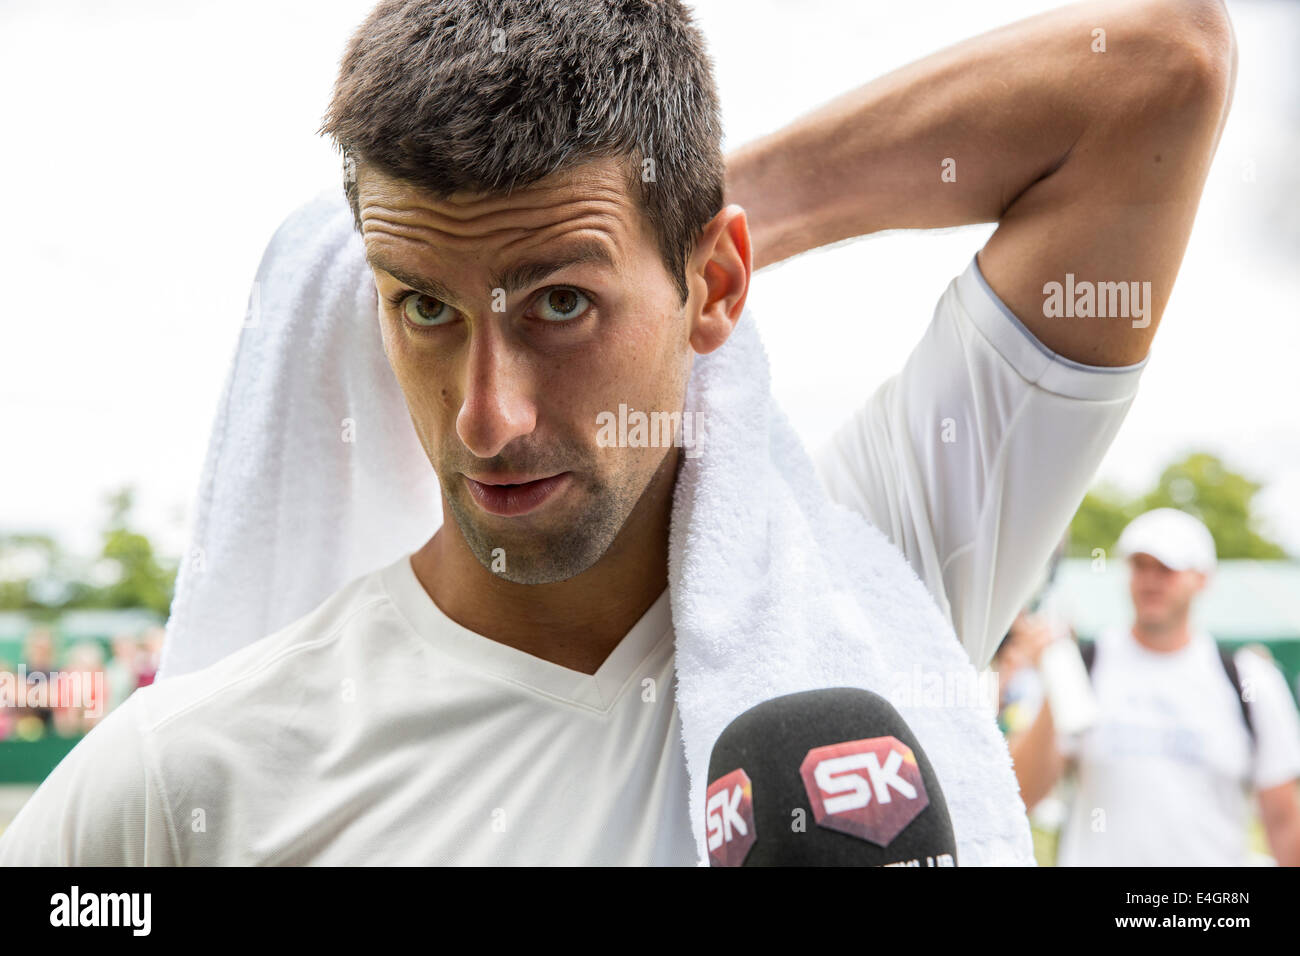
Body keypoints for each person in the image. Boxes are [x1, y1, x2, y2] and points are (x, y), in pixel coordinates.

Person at [0, 0, 1236, 864]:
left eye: (561, 300)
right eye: (424, 304)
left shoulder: (869, 582)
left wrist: (678, 203)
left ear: (717, 286)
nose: (489, 416)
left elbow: (1158, 69)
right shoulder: (186, 775)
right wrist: (607, 238)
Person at [1011, 508, 1300, 866]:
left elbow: (1284, 822)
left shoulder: (1249, 680)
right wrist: (1055, 688)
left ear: (1202, 579)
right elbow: (1020, 795)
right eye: (1140, 566)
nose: (1150, 580)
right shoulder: (1087, 665)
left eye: (1166, 569)